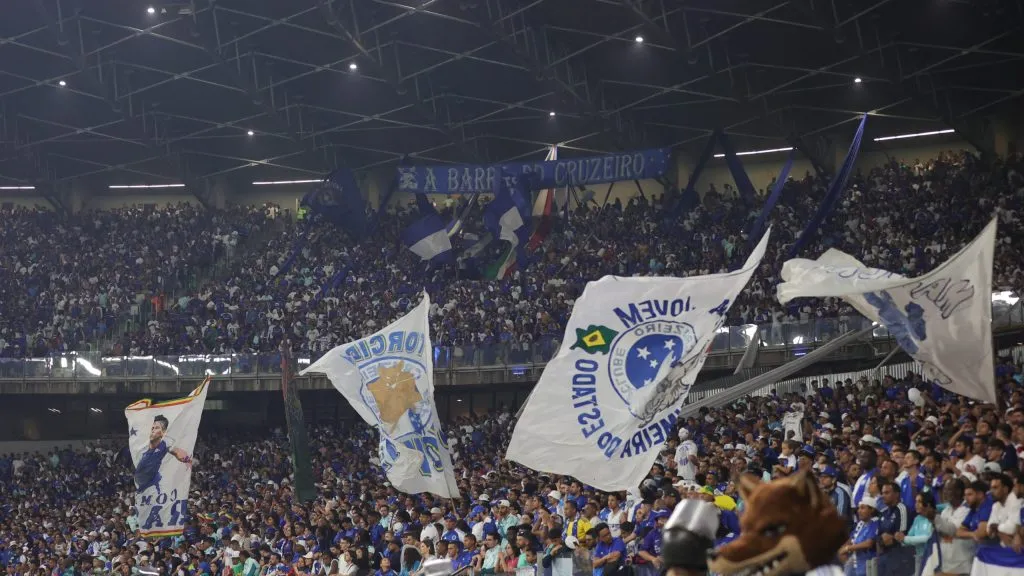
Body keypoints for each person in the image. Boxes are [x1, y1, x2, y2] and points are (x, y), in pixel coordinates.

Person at [134, 414, 192, 494]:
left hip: (153, 481)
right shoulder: (141, 447)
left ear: (163, 432)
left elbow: (176, 451)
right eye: (152, 428)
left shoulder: (165, 444)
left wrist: (185, 458)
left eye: (157, 428)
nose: (153, 430)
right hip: (140, 482)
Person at [840, 497, 879, 576]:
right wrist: (842, 549)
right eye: (858, 508)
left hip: (868, 564)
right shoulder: (860, 523)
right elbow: (851, 539)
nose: (859, 511)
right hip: (855, 562)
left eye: (862, 508)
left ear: (872, 510)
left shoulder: (876, 522)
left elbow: (868, 543)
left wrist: (848, 548)